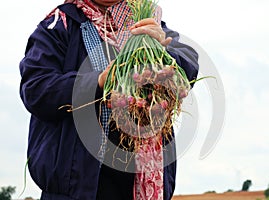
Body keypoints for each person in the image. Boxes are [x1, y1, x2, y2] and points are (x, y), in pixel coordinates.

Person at [19, 0, 199, 199]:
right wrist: (97, 82)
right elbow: (36, 88)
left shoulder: (146, 24)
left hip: (138, 186)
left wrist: (162, 52)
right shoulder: (59, 24)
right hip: (77, 187)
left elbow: (188, 63)